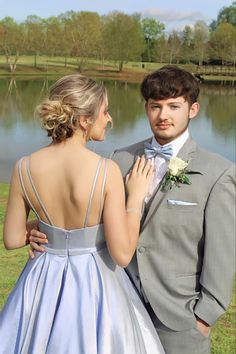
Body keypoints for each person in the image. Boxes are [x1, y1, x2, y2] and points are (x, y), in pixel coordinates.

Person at [28, 66, 235, 354]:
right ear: (146, 109)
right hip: (116, 305)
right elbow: (91, 221)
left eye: (174, 106)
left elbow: (221, 255)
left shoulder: (218, 172)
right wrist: (38, 229)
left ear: (193, 109)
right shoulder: (119, 159)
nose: (163, 115)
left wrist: (204, 316)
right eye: (155, 106)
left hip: (179, 317)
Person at [0, 74, 165, 354]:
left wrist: (40, 228)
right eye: (105, 111)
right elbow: (123, 254)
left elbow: (13, 239)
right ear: (85, 120)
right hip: (95, 284)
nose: (110, 119)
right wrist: (135, 199)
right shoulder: (105, 170)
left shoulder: (24, 167)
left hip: (41, 279)